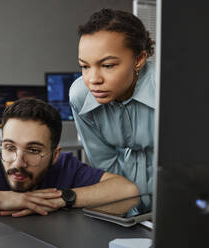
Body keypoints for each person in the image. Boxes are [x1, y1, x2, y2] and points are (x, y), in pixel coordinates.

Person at [0, 98, 139, 217]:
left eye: (33, 150)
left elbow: (128, 192)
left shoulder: (66, 167)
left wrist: (61, 199)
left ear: (55, 155)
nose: (18, 162)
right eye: (9, 147)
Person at [69, 8, 155, 211]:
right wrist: (129, 214)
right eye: (85, 66)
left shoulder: (168, 91)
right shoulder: (80, 96)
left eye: (107, 65)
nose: (93, 80)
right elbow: (105, 164)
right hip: (125, 205)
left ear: (139, 59)